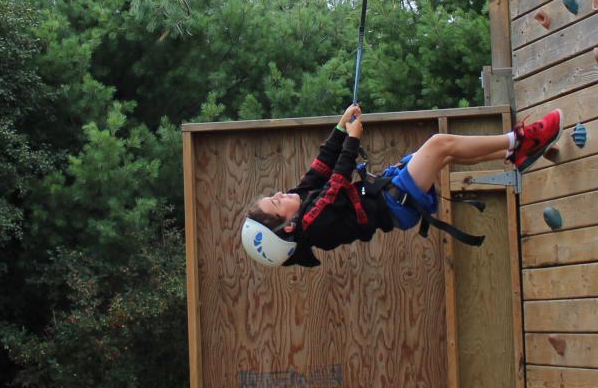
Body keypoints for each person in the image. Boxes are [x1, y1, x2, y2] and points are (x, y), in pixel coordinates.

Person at [240, 105, 564, 268]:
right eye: (276, 203)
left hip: (388, 189)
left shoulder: (302, 201)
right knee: (440, 146)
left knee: (444, 151)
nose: (281, 194)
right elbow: (335, 182)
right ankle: (520, 140)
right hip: (396, 204)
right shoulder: (315, 226)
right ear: (288, 228)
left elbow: (322, 166)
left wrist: (340, 128)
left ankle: (513, 154)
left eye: (273, 196)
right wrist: (352, 141)